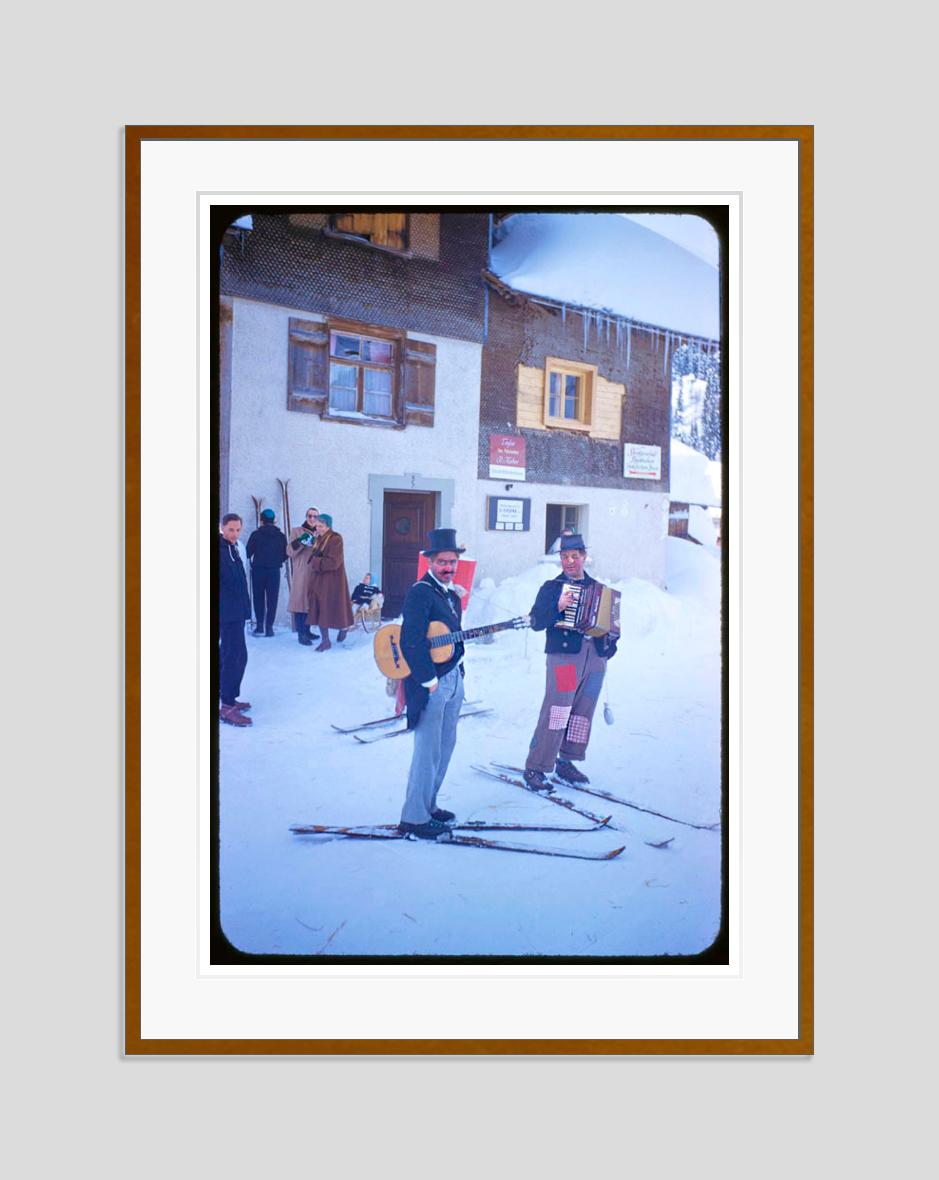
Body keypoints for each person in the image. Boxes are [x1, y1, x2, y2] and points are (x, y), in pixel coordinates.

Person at [523, 533, 618, 788]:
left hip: (595, 659)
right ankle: (536, 766)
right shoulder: (551, 588)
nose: (569, 561)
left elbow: (611, 626)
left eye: (574, 556)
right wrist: (557, 606)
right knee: (558, 710)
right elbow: (536, 622)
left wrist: (610, 643)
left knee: (583, 711)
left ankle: (567, 760)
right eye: (565, 557)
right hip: (565, 658)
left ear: (584, 557)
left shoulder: (599, 589)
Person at [398, 528, 467, 839]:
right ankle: (414, 817)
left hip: (454, 678)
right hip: (431, 683)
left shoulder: (450, 594)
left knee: (445, 745)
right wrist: (429, 681)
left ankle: (430, 805)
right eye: (442, 562)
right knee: (427, 750)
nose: (448, 567)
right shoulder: (420, 593)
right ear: (429, 561)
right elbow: (410, 641)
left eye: (452, 561)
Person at [219, 513, 252, 728]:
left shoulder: (234, 548)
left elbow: (240, 580)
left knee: (232, 654)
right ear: (222, 528)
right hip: (226, 613)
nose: (235, 533)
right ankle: (226, 706)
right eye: (231, 529)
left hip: (237, 612)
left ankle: (228, 697)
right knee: (235, 656)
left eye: (238, 529)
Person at [305, 513, 354, 651]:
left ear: (328, 526)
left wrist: (316, 561)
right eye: (317, 526)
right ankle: (325, 640)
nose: (318, 529)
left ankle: (343, 627)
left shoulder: (335, 539)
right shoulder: (319, 538)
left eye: (321, 526)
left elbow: (334, 562)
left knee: (333, 607)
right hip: (319, 579)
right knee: (321, 608)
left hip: (332, 580)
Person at [246, 508, 287, 636]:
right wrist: (276, 560)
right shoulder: (281, 536)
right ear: (274, 521)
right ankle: (269, 628)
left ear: (261, 520)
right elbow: (286, 554)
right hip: (274, 570)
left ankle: (259, 626)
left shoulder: (256, 534)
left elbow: (247, 552)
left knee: (258, 598)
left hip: (258, 570)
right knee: (272, 599)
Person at [286, 506, 321, 645]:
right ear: (306, 517)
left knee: (310, 603)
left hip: (315, 572)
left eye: (315, 516)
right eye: (309, 516)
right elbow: (289, 551)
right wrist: (301, 541)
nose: (312, 519)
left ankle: (307, 631)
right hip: (301, 572)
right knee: (300, 603)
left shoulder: (320, 533)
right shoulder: (297, 531)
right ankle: (301, 633)